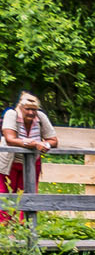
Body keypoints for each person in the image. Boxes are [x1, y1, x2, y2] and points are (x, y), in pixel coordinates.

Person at [1, 92, 57, 224]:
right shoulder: (11, 114)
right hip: (9, 161)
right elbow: (10, 139)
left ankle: (25, 226)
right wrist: (32, 144)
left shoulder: (40, 117)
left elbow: (53, 140)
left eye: (34, 109)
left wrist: (46, 145)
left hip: (32, 162)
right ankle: (5, 227)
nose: (31, 112)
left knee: (29, 194)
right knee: (6, 193)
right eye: (28, 109)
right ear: (21, 108)